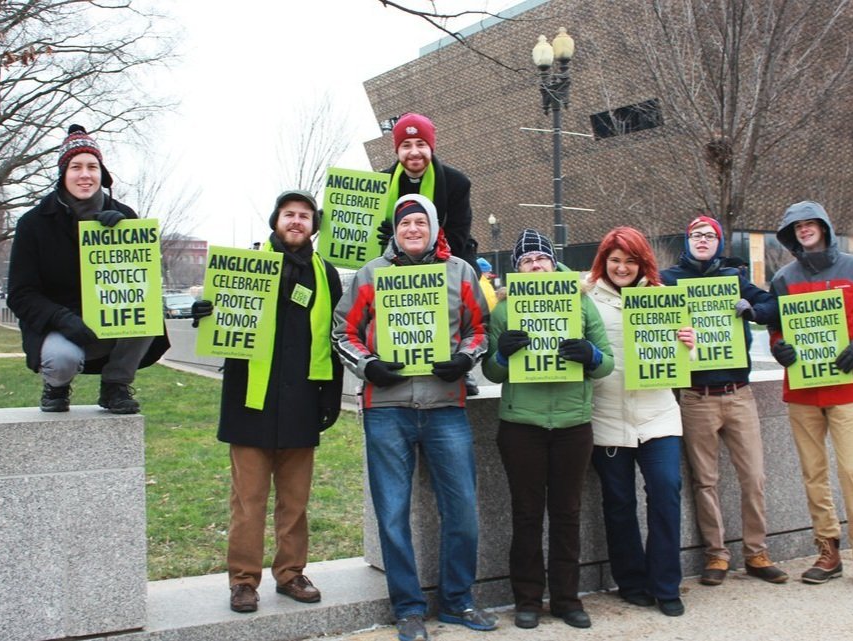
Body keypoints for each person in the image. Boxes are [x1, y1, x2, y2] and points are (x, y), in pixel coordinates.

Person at [333, 194, 496, 641]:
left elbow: (479, 329)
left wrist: (465, 360)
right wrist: (368, 366)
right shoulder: (370, 275)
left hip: (445, 407)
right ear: (396, 230)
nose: (412, 229)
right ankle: (407, 607)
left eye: (420, 222)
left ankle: (458, 600)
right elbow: (343, 331)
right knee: (392, 515)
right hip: (387, 410)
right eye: (405, 223)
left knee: (462, 510)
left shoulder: (461, 272)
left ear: (434, 227)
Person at [191, 190, 344, 613]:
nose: (296, 221)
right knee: (248, 501)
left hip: (302, 401)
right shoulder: (245, 267)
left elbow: (333, 337)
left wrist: (331, 393)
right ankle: (243, 580)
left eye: (305, 216)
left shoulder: (326, 274)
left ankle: (291, 573)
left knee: (295, 502)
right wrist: (205, 310)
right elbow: (222, 321)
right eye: (289, 214)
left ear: (315, 225)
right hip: (250, 400)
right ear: (275, 221)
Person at [482, 229, 614, 631]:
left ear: (553, 262)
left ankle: (567, 598)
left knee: (567, 514)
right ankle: (527, 599)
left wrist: (590, 355)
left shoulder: (580, 301)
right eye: (527, 261)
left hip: (573, 424)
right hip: (522, 425)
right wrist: (503, 353)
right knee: (525, 515)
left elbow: (607, 362)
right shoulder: (504, 311)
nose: (536, 266)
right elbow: (490, 369)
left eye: (541, 258)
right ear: (517, 269)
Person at [768, 200, 853, 591]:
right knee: (814, 475)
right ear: (791, 234)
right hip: (803, 391)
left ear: (823, 226)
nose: (804, 230)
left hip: (845, 386)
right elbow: (776, 327)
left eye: (810, 223)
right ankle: (827, 551)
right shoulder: (784, 277)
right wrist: (779, 348)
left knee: (851, 472)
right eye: (797, 226)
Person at [660, 216, 788, 586]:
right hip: (695, 396)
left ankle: (756, 552)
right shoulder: (669, 280)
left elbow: (773, 306)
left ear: (719, 242)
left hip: (738, 393)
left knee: (754, 477)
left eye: (710, 235)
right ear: (687, 241)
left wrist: (752, 310)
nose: (702, 240)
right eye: (696, 234)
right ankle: (716, 556)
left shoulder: (734, 279)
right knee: (705, 481)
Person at [7, 124, 168, 414]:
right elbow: (20, 294)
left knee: (147, 308)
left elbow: (143, 282)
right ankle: (55, 387)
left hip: (110, 319)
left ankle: (115, 386)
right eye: (76, 167)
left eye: (92, 167)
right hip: (59, 323)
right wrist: (63, 319)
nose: (85, 174)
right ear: (63, 175)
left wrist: (124, 236)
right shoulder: (33, 223)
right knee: (61, 359)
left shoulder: (125, 216)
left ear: (102, 174)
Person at [585, 226, 694, 617]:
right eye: (615, 260)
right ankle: (631, 581)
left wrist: (688, 346)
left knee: (665, 493)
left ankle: (667, 584)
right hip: (607, 417)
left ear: (642, 262)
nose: (621, 267)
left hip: (658, 417)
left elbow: (687, 368)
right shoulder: (587, 298)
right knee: (618, 503)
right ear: (604, 262)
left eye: (630, 260)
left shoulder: (664, 299)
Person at [378, 113, 478, 272]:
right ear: (397, 150)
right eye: (406, 145)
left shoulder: (457, 183)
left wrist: (401, 241)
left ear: (431, 147)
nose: (414, 152)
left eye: (420, 144)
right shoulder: (379, 183)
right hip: (391, 265)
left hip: (447, 261)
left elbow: (457, 238)